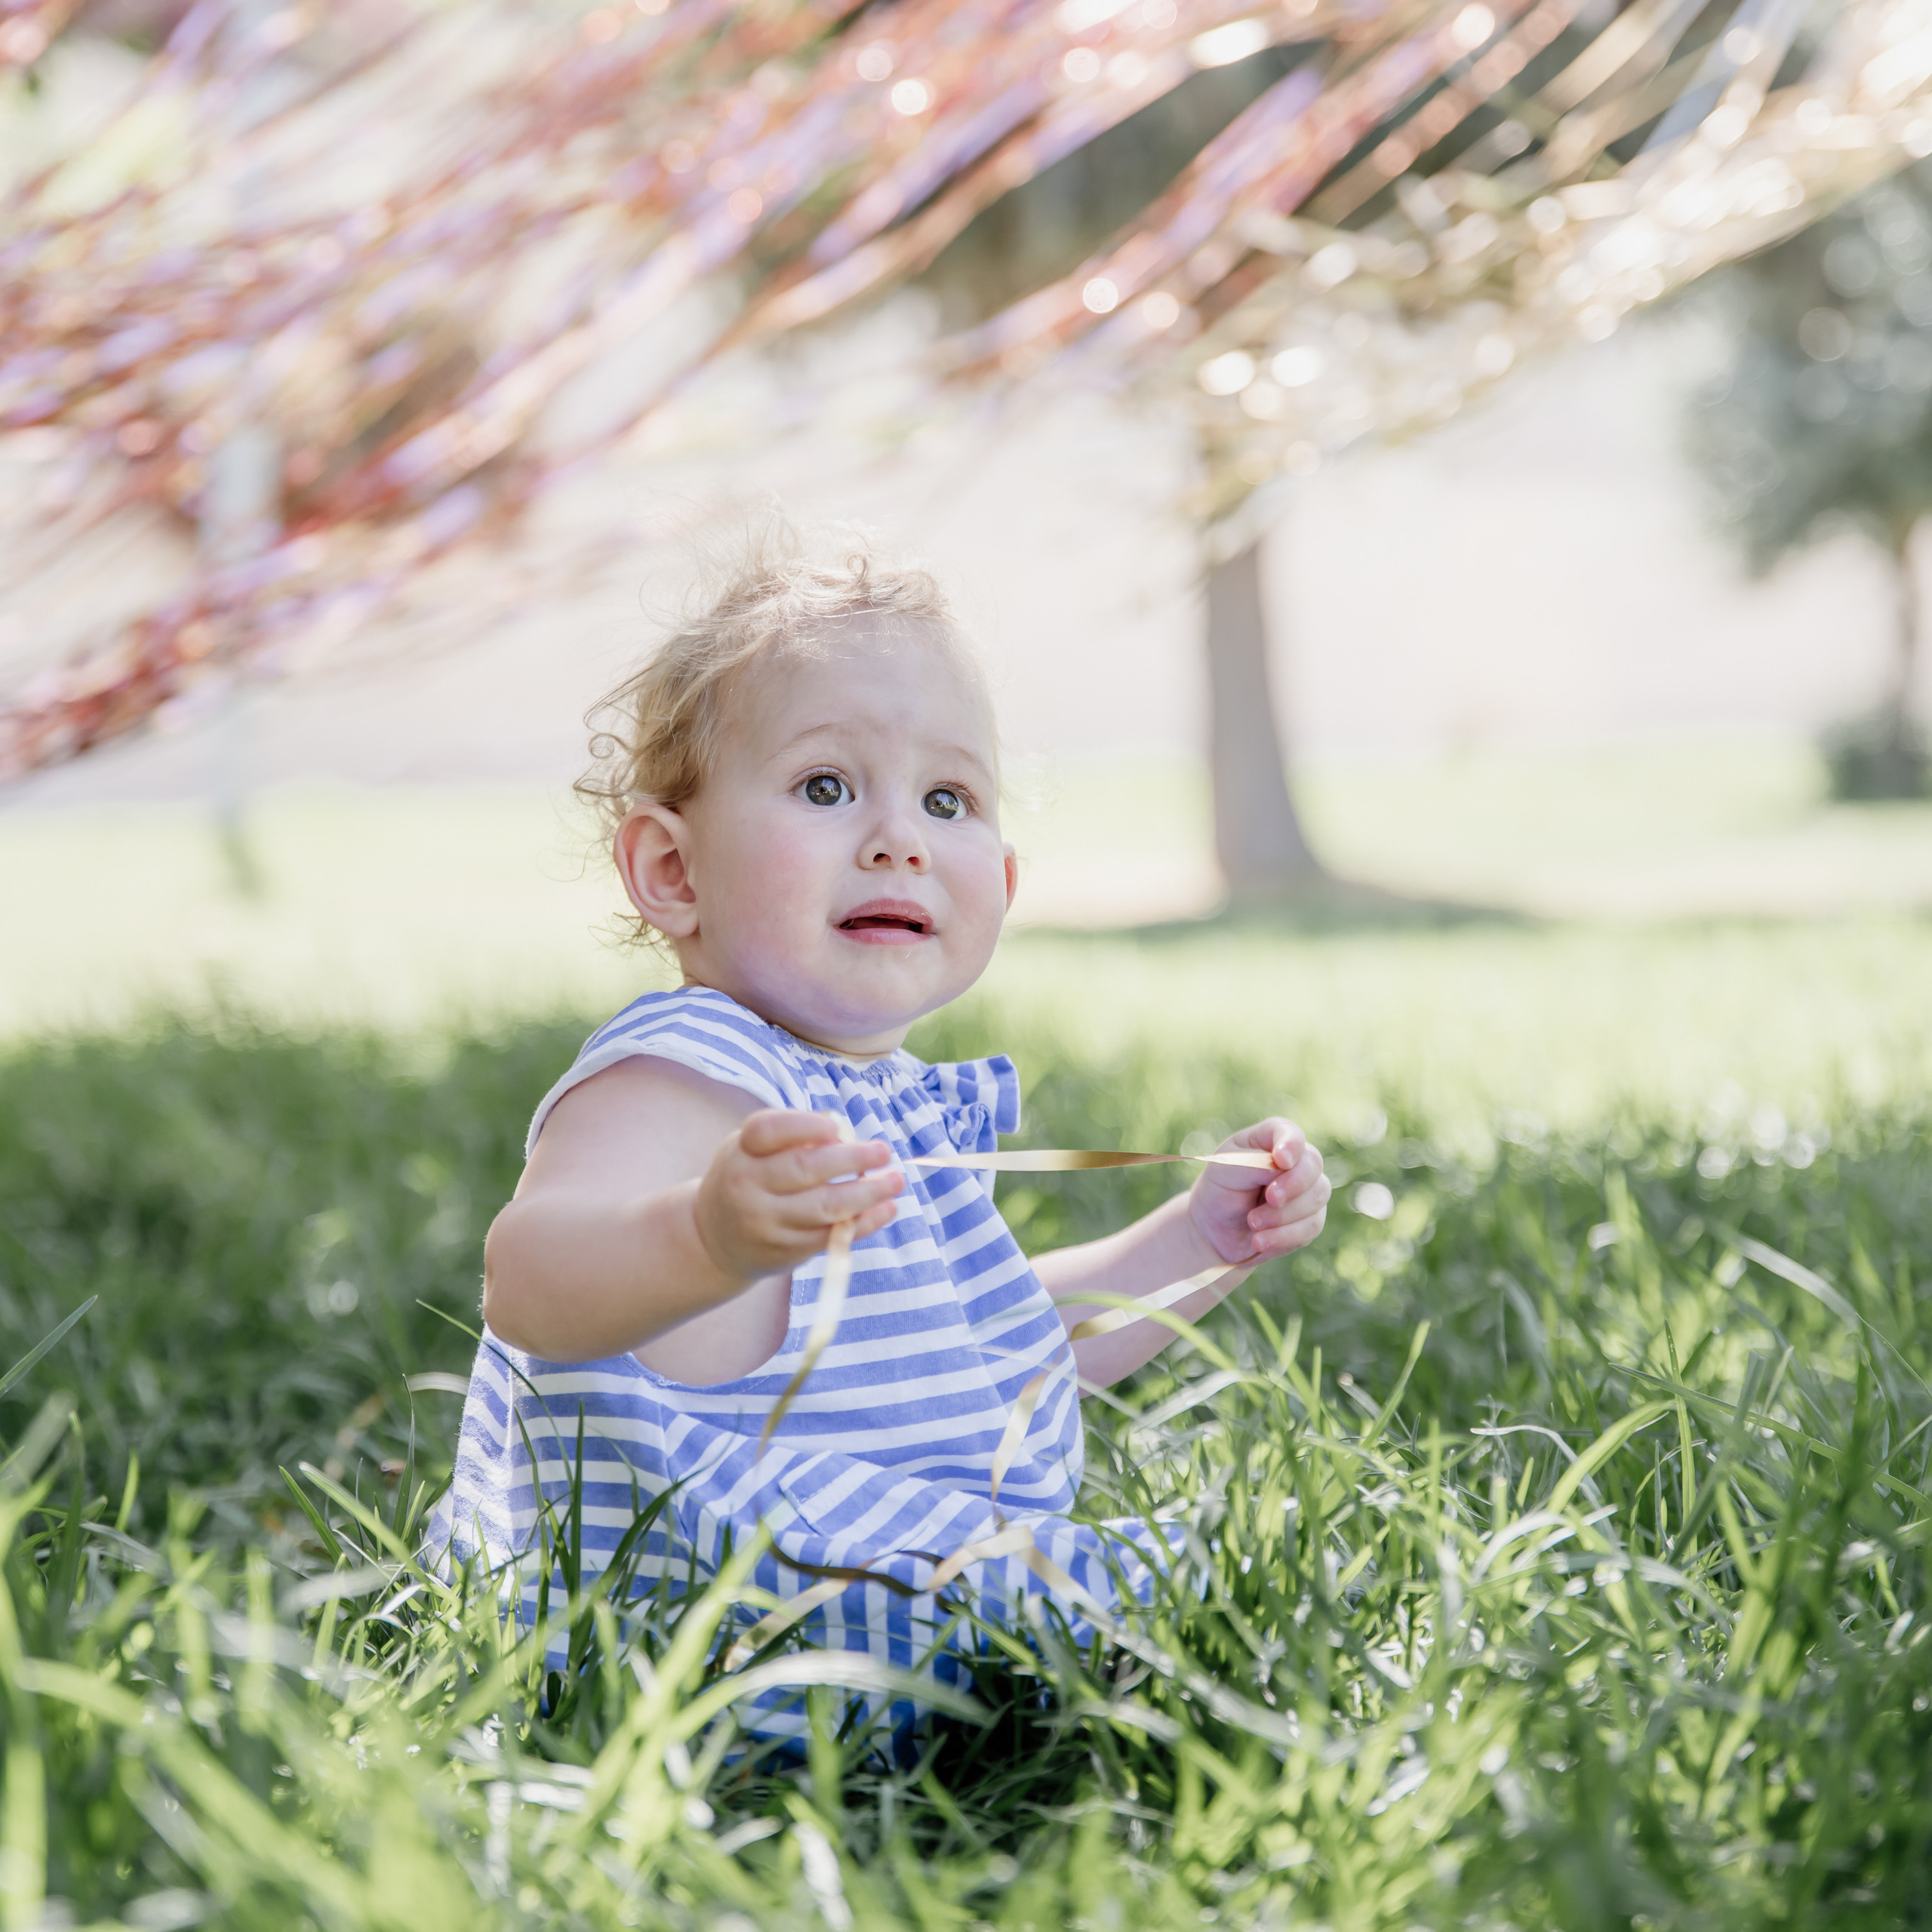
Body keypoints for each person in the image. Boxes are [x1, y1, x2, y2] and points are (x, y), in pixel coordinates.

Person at [431, 536, 1331, 1742]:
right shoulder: (685, 1069)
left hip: (847, 1572)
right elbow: (529, 1279)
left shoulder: (892, 1102)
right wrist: (704, 1235)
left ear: (1002, 882)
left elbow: (978, 1361)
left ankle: (1034, 1644)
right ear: (671, 868)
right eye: (824, 787)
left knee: (1190, 1584)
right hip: (708, 1611)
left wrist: (1187, 1246)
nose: (899, 836)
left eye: (946, 800)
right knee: (1161, 1595)